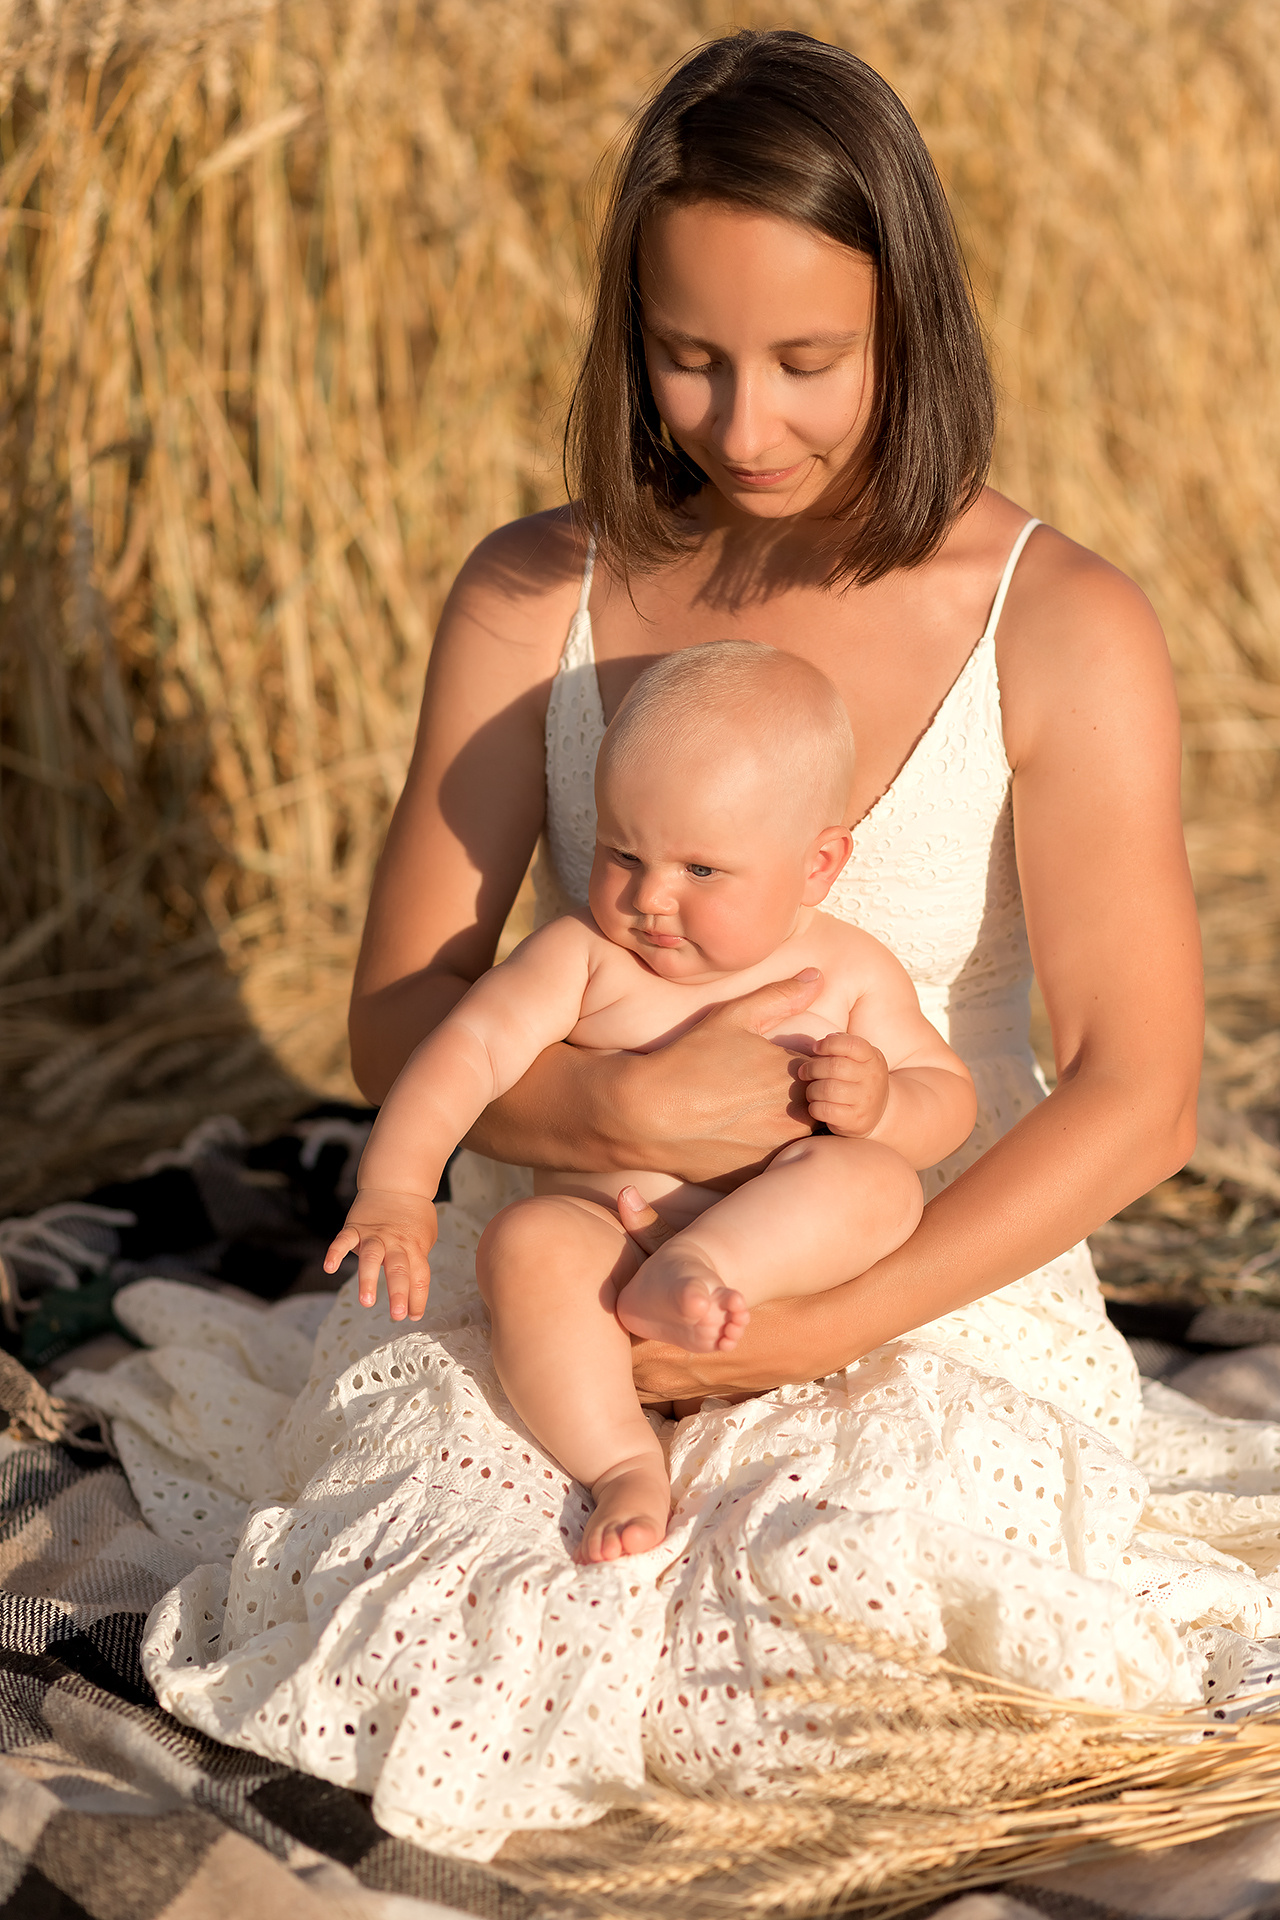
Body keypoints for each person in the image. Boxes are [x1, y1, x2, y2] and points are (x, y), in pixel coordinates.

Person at [325, 643, 976, 1562]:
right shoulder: (585, 956)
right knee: (527, 1243)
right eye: (622, 853)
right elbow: (466, 1052)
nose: (650, 900)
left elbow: (947, 1097)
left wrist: (882, 1106)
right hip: (606, 1235)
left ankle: (700, 1269)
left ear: (819, 865)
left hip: (769, 1267)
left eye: (702, 872)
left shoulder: (848, 969)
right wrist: (397, 1186)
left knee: (875, 1183)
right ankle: (622, 1459)